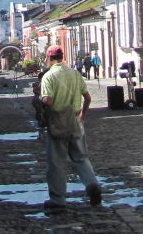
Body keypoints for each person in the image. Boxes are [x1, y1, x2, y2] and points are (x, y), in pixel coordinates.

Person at [39, 44, 102, 212]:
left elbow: (48, 101)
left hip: (58, 121)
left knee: (57, 162)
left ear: (50, 58)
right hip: (75, 119)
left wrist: (41, 106)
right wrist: (83, 115)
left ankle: (58, 199)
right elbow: (87, 98)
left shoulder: (49, 76)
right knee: (81, 157)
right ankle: (92, 184)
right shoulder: (75, 73)